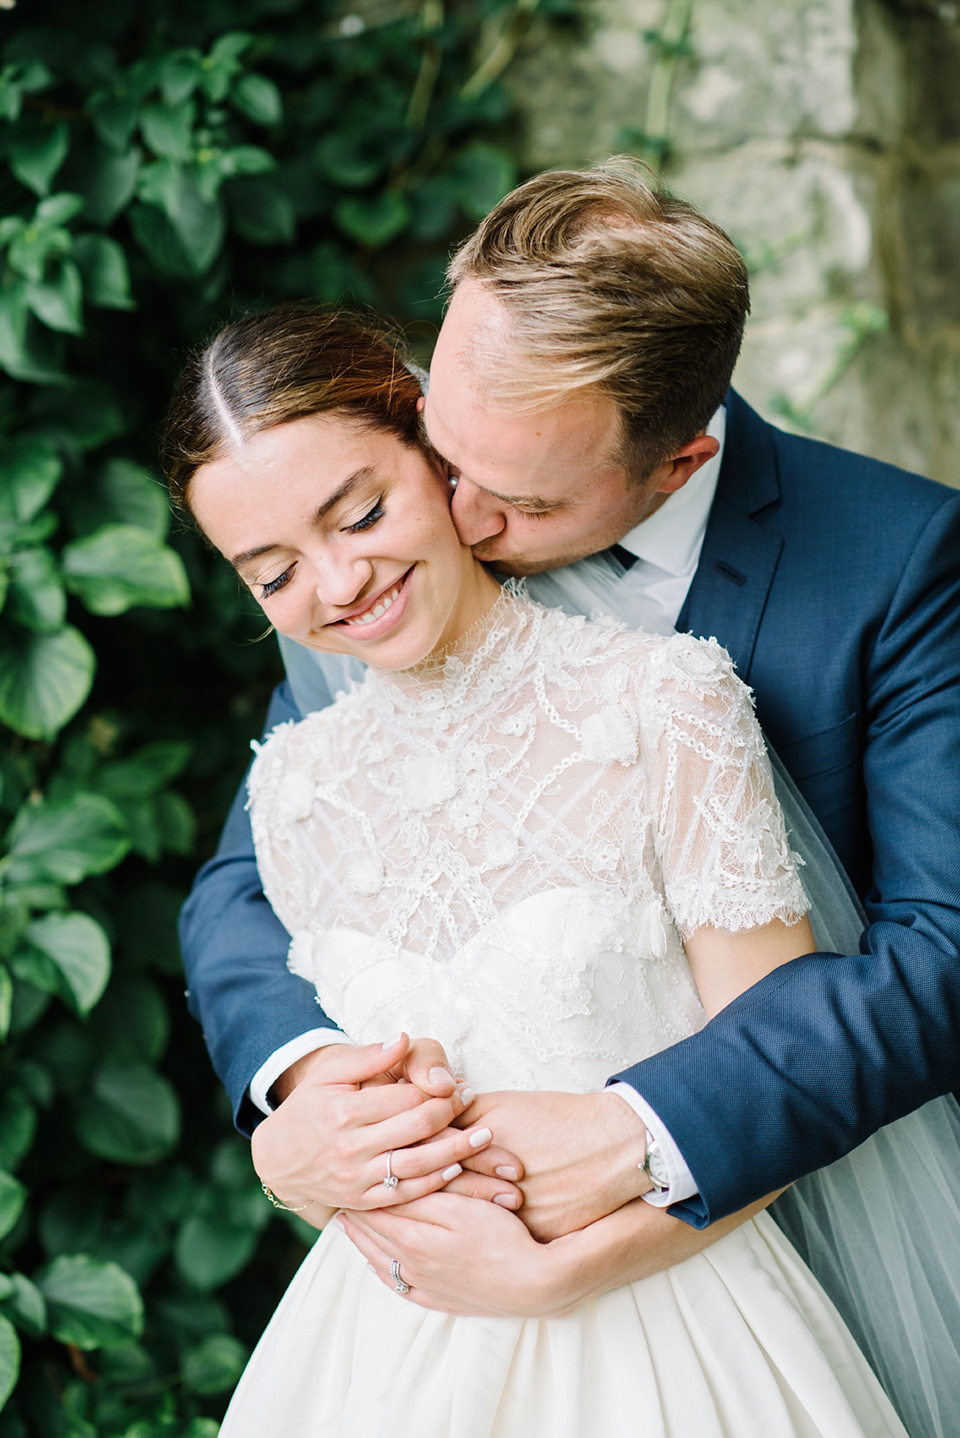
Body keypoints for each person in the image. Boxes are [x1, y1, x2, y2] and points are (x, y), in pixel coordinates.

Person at [177, 162, 960, 1434]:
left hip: (790, 1234)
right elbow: (245, 886)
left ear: (677, 461)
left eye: (527, 499)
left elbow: (947, 948)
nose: (464, 518)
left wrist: (642, 1139)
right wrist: (297, 1101)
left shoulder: (899, 562)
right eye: (440, 451)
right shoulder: (384, 539)